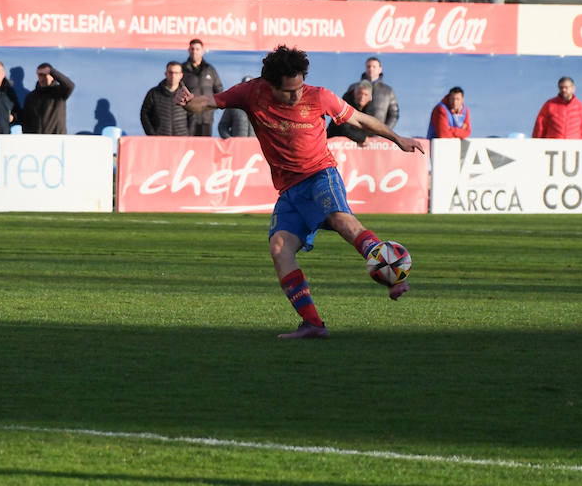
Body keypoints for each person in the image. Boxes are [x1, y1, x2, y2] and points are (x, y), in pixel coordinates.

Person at [179, 45, 423, 339]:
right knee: (279, 249)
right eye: (288, 92)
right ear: (269, 84)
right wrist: (190, 103)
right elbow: (208, 102)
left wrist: (397, 138)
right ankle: (313, 324)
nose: (296, 95)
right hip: (289, 190)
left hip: (321, 174)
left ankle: (393, 278)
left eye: (299, 87)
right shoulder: (250, 93)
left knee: (341, 220)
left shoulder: (319, 96)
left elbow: (358, 118)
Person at [181, 39, 223, 137]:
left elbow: (219, 90)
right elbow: (177, 92)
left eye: (197, 49)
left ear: (202, 51)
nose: (194, 51)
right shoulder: (182, 70)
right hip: (188, 118)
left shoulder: (210, 69)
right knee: (189, 148)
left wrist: (211, 106)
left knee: (205, 148)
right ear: (188, 50)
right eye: (192, 49)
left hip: (206, 118)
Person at [20, 63, 75, 134]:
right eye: (40, 75)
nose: (43, 78)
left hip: (56, 139)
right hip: (37, 140)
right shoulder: (31, 96)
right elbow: (26, 120)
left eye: (45, 74)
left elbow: (70, 85)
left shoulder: (59, 92)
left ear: (52, 76)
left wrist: (52, 71)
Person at [140, 62, 190, 136]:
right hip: (160, 140)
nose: (173, 76)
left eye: (176, 73)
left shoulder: (186, 95)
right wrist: (152, 134)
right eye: (171, 73)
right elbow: (144, 115)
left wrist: (189, 135)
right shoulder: (153, 93)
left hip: (181, 139)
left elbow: (193, 117)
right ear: (166, 74)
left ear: (181, 75)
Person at [353, 56, 398, 130]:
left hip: (378, 137)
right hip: (356, 136)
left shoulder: (388, 91)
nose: (371, 69)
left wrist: (384, 132)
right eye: (368, 66)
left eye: (374, 67)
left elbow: (394, 115)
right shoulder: (354, 88)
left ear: (380, 69)